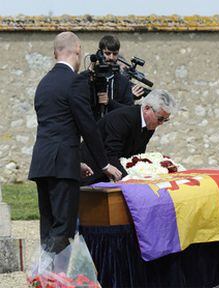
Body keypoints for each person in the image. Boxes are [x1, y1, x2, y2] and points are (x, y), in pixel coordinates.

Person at [28, 32, 122, 253]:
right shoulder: (75, 82)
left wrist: (76, 161)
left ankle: (45, 279)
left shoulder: (44, 83)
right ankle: (58, 281)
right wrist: (104, 164)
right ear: (78, 50)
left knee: (48, 227)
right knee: (64, 228)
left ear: (55, 53)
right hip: (62, 168)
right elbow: (86, 125)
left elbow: (56, 127)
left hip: (43, 163)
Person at [80, 89, 177, 185]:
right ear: (147, 108)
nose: (161, 123)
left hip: (112, 172)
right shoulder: (123, 119)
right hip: (89, 172)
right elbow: (111, 154)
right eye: (160, 118)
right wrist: (130, 181)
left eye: (165, 120)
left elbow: (136, 156)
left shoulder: (149, 124)